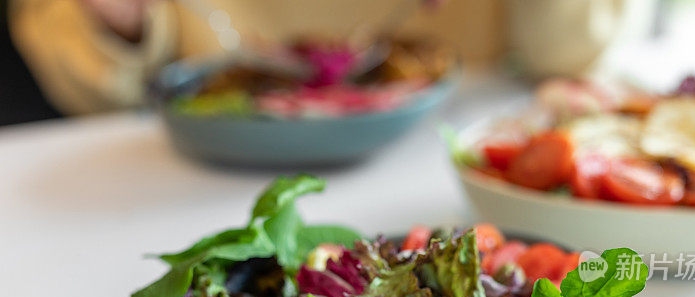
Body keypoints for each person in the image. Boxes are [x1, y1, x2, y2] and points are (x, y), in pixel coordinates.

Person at [9, 0, 505, 115]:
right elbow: (90, 93)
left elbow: (571, 56)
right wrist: (123, 19)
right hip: (199, 180)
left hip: (458, 133)